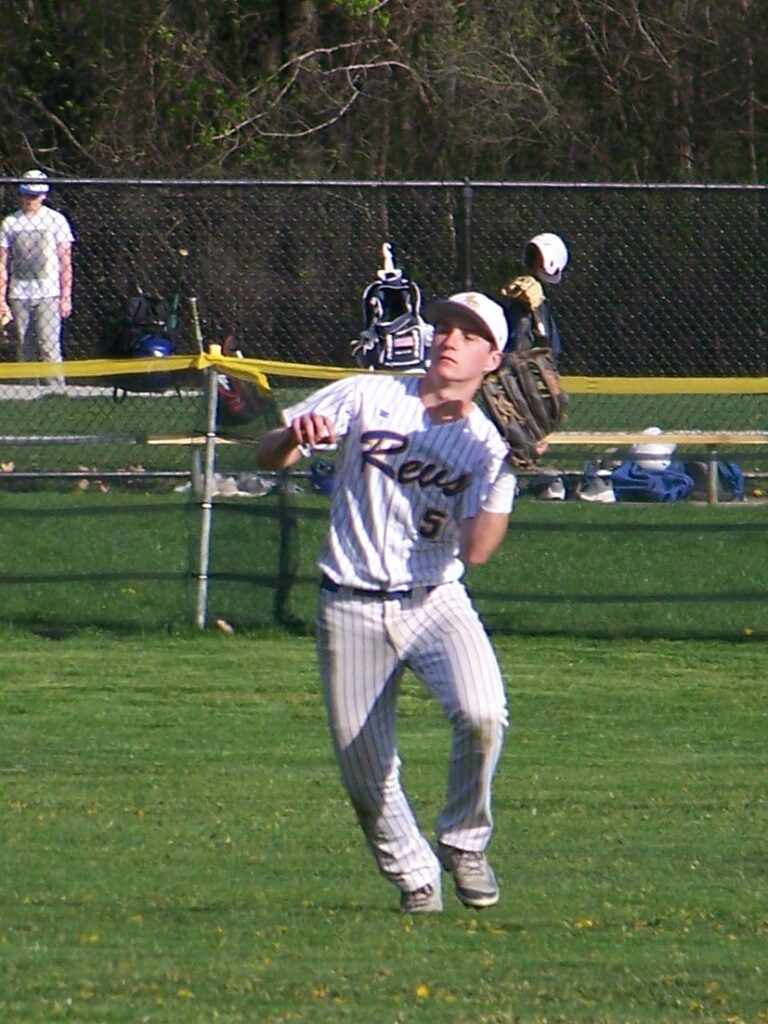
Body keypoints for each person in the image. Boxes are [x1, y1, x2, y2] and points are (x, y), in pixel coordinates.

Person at [256, 291, 517, 914]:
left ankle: (463, 841)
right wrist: (295, 435)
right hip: (348, 602)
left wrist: (509, 468)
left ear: (493, 358)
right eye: (447, 327)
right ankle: (416, 879)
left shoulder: (485, 443)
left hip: (434, 600)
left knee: (484, 714)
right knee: (366, 778)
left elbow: (477, 550)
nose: (451, 340)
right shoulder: (370, 395)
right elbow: (268, 453)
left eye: (470, 334)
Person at [0, 169, 75, 386]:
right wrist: (2, 298)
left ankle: (57, 391)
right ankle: (27, 393)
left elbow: (65, 262)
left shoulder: (56, 220)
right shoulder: (11, 223)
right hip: (19, 293)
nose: (29, 200)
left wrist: (65, 296)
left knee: (49, 346)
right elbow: (2, 263)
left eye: (34, 196)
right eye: (26, 195)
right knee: (24, 347)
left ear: (44, 196)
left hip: (49, 293)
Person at [499, 231, 569, 364]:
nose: (533, 262)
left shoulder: (542, 302)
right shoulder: (520, 293)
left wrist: (536, 307)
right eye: (533, 256)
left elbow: (547, 344)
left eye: (538, 258)